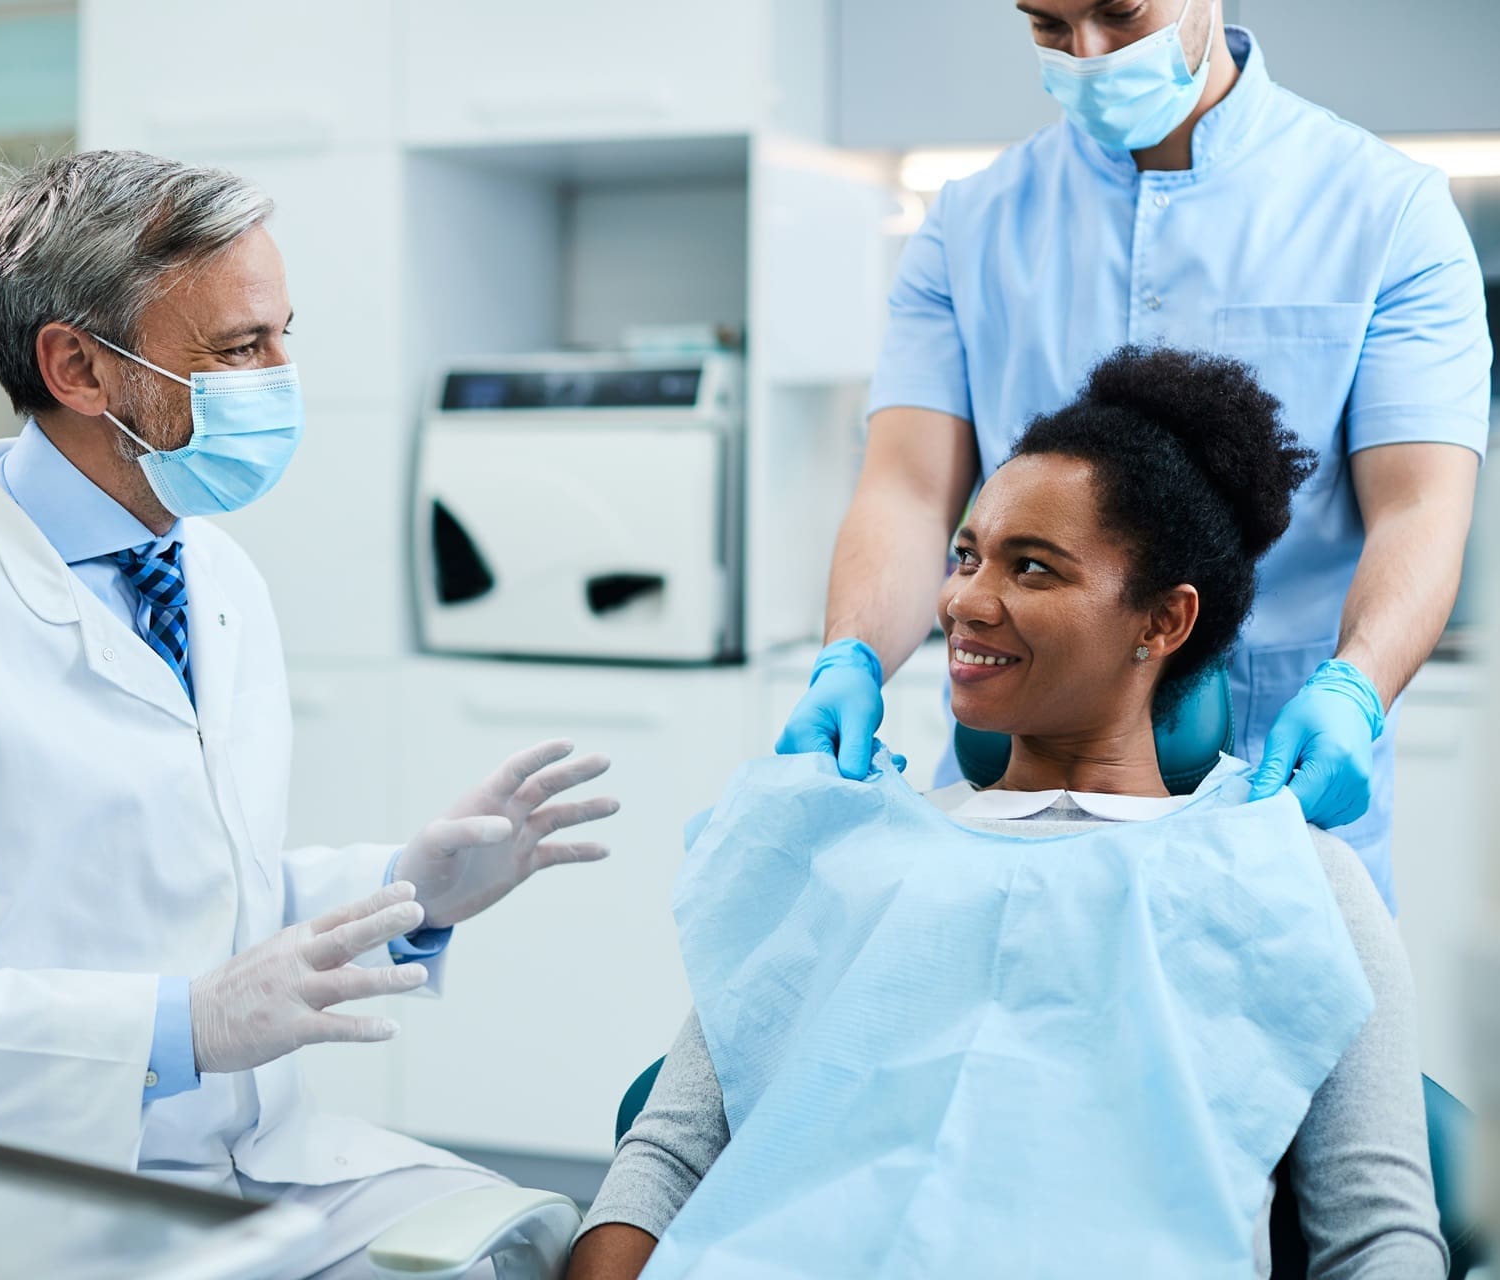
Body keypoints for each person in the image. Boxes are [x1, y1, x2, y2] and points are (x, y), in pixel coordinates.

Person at [0, 151, 618, 1280]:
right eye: (241, 348)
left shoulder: (208, 571)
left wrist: (408, 886)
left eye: (282, 333)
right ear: (78, 367)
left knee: (546, 1241)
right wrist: (176, 1028)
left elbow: (183, 891)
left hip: (254, 1155)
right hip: (30, 1197)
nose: (284, 374)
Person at [573, 348, 1445, 1278]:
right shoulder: (839, 846)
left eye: (1031, 569)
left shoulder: (1294, 877)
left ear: (1163, 622)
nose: (962, 601)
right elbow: (664, 1164)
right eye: (965, 555)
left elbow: (1378, 1238)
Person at [778, 0, 1490, 910]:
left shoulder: (1387, 212)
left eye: (1121, 13)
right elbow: (909, 493)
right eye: (1047, 25)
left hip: (1282, 792)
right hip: (1021, 794)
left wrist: (1357, 688)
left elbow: (1421, 507)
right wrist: (849, 659)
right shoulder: (968, 225)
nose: (1089, 55)